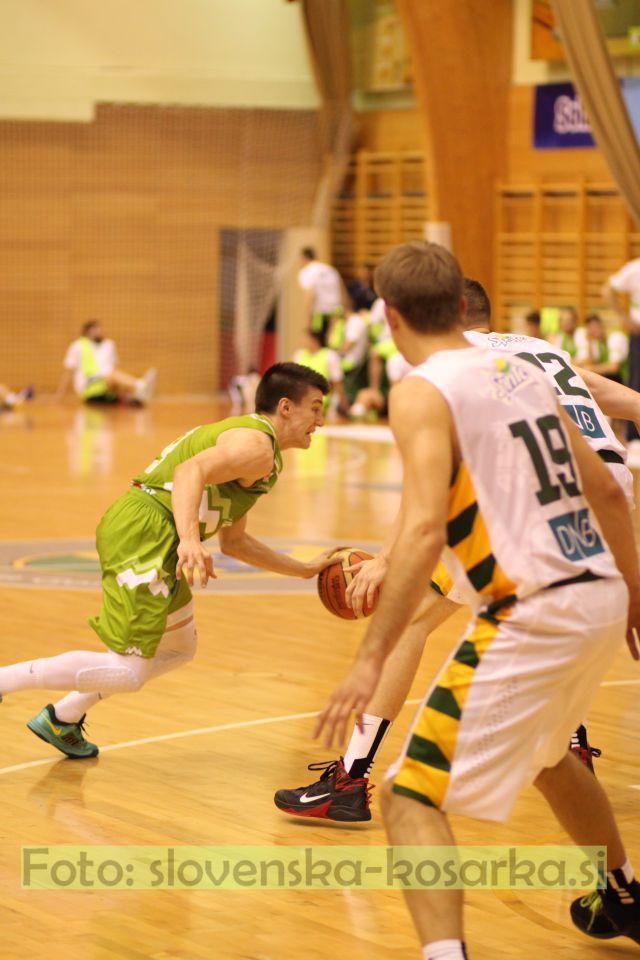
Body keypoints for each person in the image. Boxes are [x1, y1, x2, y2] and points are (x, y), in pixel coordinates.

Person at [312, 242, 640, 957]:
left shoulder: (423, 389)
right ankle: (619, 889)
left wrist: (369, 659)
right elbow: (611, 489)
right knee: (552, 759)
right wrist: (635, 598)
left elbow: (427, 525)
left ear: (388, 317)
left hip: (533, 608)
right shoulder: (524, 368)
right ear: (463, 307)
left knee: (408, 800)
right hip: (600, 593)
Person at [0, 363, 338, 759]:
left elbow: (235, 542)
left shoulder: (260, 453)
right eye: (315, 408)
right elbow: (189, 469)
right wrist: (190, 541)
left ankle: (64, 716)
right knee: (127, 671)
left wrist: (303, 569)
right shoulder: (256, 446)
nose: (321, 419)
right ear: (285, 407)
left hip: (157, 532)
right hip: (146, 530)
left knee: (179, 647)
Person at [56, 320, 156, 405]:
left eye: (99, 329)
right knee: (111, 375)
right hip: (89, 387)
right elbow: (69, 371)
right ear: (87, 332)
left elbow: (114, 369)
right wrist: (59, 395)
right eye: (95, 330)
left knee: (114, 376)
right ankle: (141, 385)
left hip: (105, 386)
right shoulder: (78, 346)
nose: (99, 332)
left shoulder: (108, 345)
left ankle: (137, 392)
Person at [604, 257, 640, 444]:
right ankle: (634, 438)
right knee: (637, 381)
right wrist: (624, 318)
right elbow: (607, 291)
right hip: (638, 336)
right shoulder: (634, 268)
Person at [293, 328, 349, 416]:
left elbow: (337, 382)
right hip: (301, 400)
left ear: (314, 340)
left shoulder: (329, 356)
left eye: (305, 338)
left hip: (321, 402)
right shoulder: (299, 355)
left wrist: (343, 403)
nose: (302, 341)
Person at [297, 248, 343, 344]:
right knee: (332, 343)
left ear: (304, 258)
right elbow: (342, 291)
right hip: (336, 312)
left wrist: (307, 321)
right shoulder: (330, 269)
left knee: (317, 343)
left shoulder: (307, 272)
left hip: (319, 313)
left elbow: (310, 295)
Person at [575, 312, 629, 384]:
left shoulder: (616, 337)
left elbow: (614, 367)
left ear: (602, 325)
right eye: (590, 328)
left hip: (625, 379)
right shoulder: (597, 342)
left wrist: (592, 368)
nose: (593, 330)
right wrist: (590, 342)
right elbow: (591, 362)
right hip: (611, 379)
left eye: (595, 327)